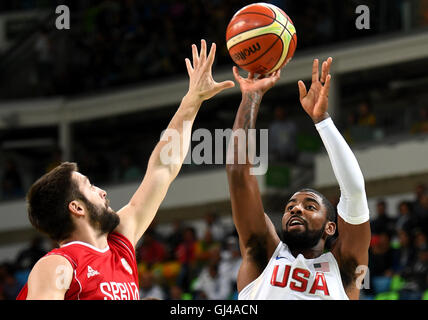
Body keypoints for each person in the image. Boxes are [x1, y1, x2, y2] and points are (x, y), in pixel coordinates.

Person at [16, 39, 235, 300]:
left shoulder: (120, 243)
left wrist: (192, 101)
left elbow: (162, 168)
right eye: (90, 186)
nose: (103, 192)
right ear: (76, 207)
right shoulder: (58, 265)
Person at [226, 57, 371, 300]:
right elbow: (238, 174)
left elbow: (354, 190)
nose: (296, 210)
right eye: (290, 206)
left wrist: (323, 121)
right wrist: (251, 97)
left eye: (309, 206)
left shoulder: (344, 268)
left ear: (330, 227)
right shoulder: (263, 256)